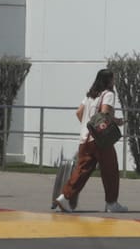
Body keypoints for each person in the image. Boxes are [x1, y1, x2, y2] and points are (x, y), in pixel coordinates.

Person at [54, 68, 129, 213]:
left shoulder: (90, 96)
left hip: (84, 139)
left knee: (82, 170)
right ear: (108, 81)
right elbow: (105, 112)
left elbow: (79, 112)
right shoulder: (108, 94)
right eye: (113, 79)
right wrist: (117, 121)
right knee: (111, 170)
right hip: (100, 139)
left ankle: (65, 197)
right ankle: (111, 203)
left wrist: (87, 126)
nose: (114, 82)